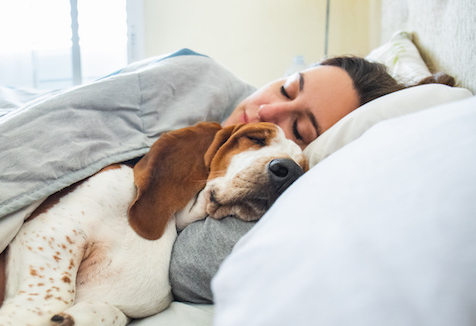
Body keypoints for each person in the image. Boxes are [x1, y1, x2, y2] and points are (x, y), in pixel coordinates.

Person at [169, 56, 454, 303]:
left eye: (298, 129)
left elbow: (186, 265)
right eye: (286, 89)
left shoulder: (292, 178)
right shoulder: (196, 83)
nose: (267, 112)